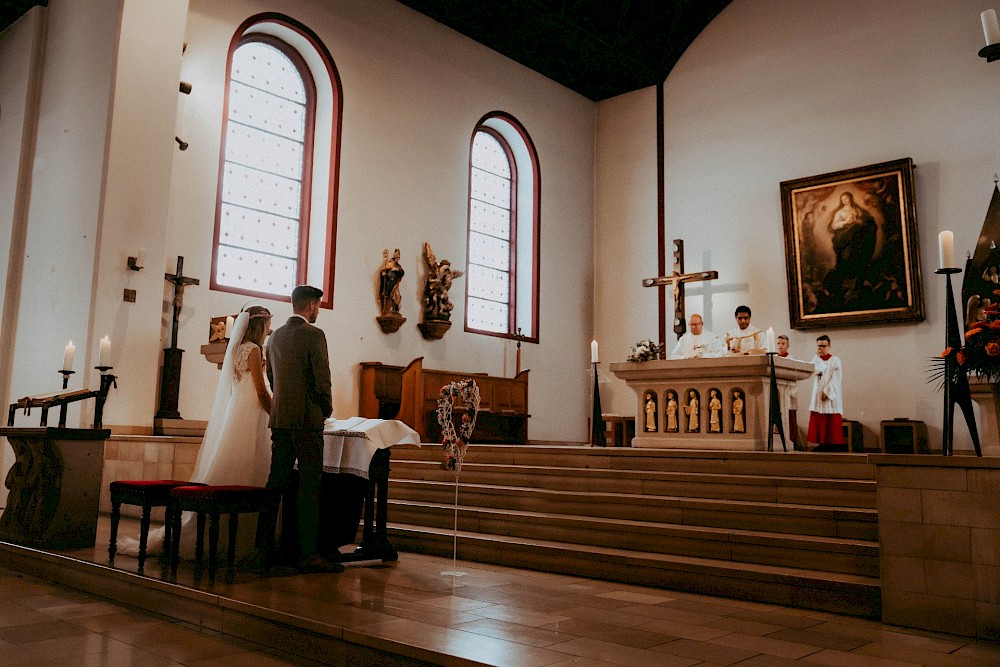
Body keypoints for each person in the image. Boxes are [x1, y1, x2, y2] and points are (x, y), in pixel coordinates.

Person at [118, 306, 274, 559]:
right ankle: (242, 538)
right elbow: (259, 391)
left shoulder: (236, 350)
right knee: (250, 471)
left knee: (233, 470)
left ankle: (223, 533)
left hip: (238, 413)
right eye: (267, 325)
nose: (269, 330)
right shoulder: (254, 350)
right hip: (253, 414)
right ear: (259, 326)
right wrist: (275, 413)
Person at [266, 285, 338, 572]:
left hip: (280, 418)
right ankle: (307, 554)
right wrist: (326, 408)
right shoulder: (313, 334)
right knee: (309, 487)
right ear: (309, 305)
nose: (318, 310)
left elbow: (271, 377)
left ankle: (269, 550)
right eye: (318, 305)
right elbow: (322, 377)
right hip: (307, 421)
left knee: (277, 484)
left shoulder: (275, 336)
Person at [807, 335, 844, 450]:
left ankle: (832, 444)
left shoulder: (835, 360)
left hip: (830, 394)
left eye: (823, 346)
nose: (821, 348)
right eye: (819, 346)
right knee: (819, 417)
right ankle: (821, 443)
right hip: (818, 394)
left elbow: (837, 378)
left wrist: (827, 392)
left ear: (829, 346)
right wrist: (817, 358)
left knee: (831, 419)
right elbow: (812, 370)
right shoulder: (816, 359)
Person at [777, 334, 800, 448]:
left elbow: (794, 380)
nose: (780, 346)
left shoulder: (791, 360)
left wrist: (789, 393)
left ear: (788, 345)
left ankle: (791, 442)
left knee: (789, 421)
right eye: (778, 343)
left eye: (783, 344)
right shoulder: (774, 359)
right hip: (776, 395)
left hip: (788, 395)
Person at [378, 248, 404, 317]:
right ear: (394, 257)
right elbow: (383, 271)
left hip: (395, 284)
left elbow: (402, 272)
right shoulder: (389, 263)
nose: (398, 259)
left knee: (397, 296)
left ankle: (395, 310)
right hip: (389, 284)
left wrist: (397, 269)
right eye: (397, 257)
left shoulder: (398, 266)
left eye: (399, 257)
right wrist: (384, 273)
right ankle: (389, 310)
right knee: (389, 297)